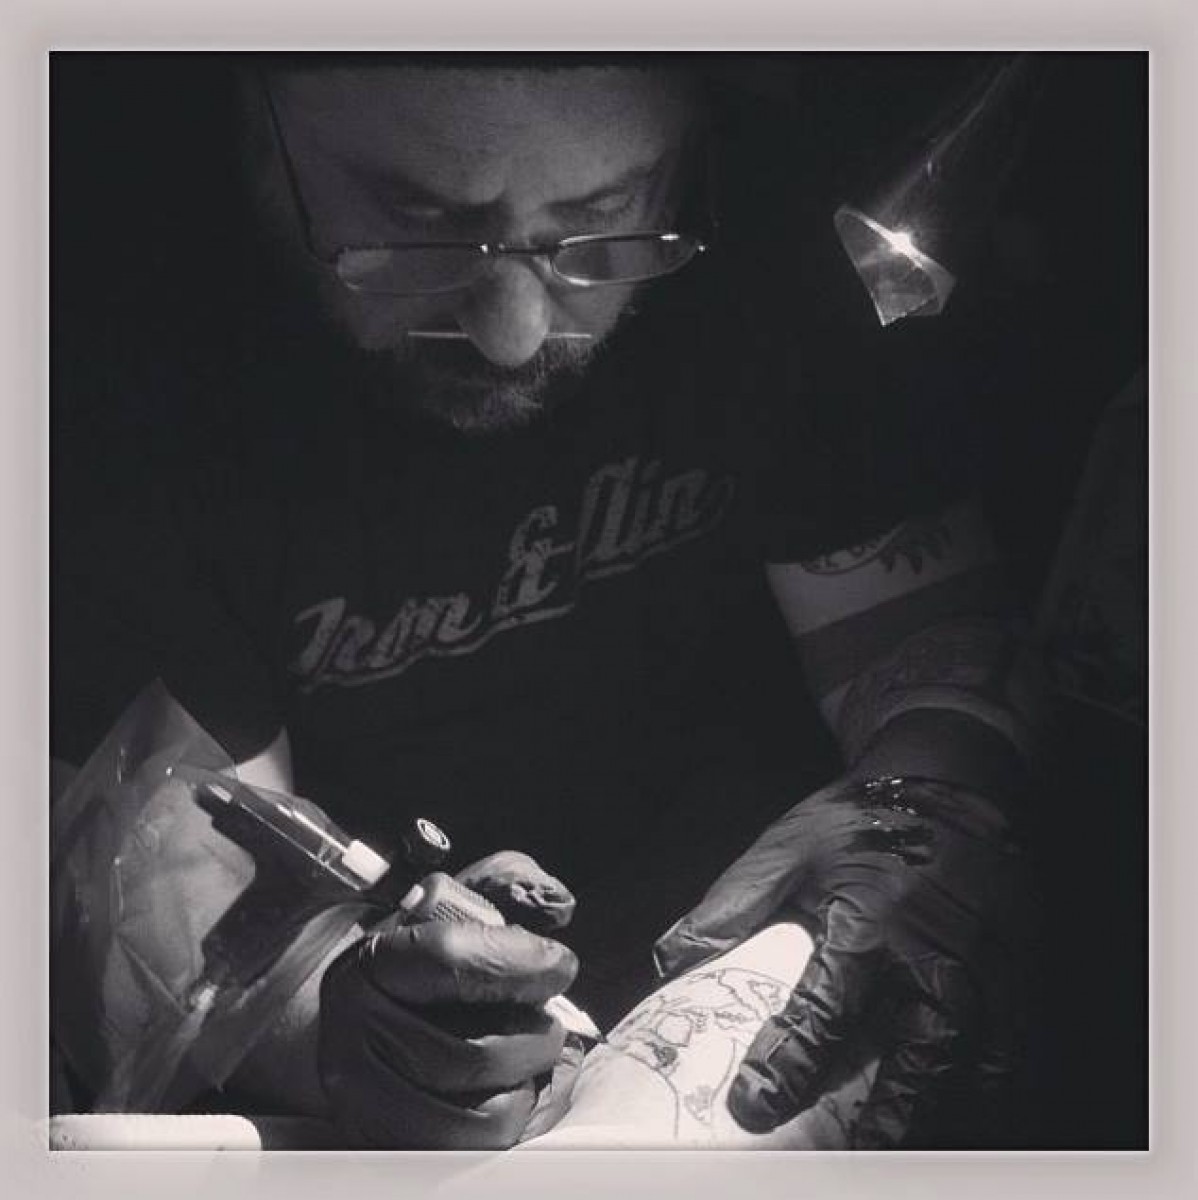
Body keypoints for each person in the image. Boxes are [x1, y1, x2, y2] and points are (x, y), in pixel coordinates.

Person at [51, 54, 1043, 1150]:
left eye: (601, 220)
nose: (514, 332)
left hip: (747, 990)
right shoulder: (103, 352)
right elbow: (149, 864)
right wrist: (343, 1025)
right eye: (417, 223)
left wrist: (931, 790)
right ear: (257, 126)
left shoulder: (777, 230)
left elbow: (912, 624)